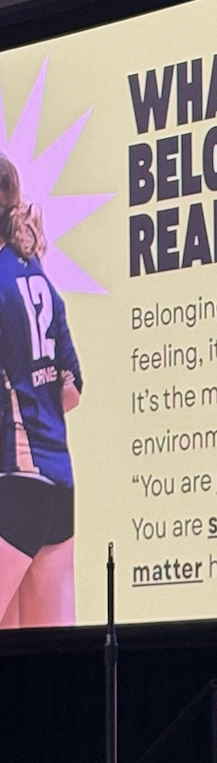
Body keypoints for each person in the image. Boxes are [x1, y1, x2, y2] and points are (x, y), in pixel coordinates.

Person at [0, 155, 82, 627]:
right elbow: (71, 391)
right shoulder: (43, 283)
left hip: (15, 484)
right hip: (59, 485)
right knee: (49, 666)